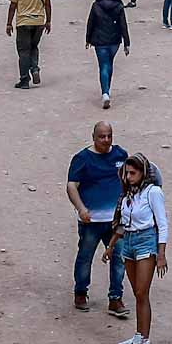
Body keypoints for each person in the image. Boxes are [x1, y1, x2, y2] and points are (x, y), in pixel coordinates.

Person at [108, 154, 168, 344]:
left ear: (143, 173)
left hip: (146, 242)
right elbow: (123, 223)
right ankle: (138, 334)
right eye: (127, 173)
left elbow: (162, 223)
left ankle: (145, 342)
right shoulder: (127, 196)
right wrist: (111, 246)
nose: (129, 176)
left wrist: (161, 254)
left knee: (142, 292)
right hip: (129, 243)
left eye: (133, 173)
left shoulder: (153, 193)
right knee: (137, 292)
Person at [67, 121, 129, 316]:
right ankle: (80, 292)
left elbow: (129, 180)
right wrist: (81, 208)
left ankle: (115, 298)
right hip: (91, 222)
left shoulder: (120, 155)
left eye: (109, 136)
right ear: (93, 137)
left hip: (115, 221)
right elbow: (71, 186)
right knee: (85, 257)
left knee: (119, 258)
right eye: (102, 136)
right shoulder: (82, 159)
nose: (106, 140)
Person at [6, 0, 52, 90]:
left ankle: (24, 79)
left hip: (23, 22)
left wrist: (9, 23)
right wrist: (48, 21)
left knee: (23, 51)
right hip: (39, 22)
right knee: (34, 47)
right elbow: (48, 5)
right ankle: (35, 68)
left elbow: (12, 7)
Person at [85, 0, 131, 109]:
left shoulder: (96, 6)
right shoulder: (119, 6)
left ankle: (105, 92)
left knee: (103, 65)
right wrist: (127, 43)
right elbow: (123, 25)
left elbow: (91, 23)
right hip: (114, 40)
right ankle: (107, 89)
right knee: (109, 63)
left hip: (99, 40)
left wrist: (87, 39)